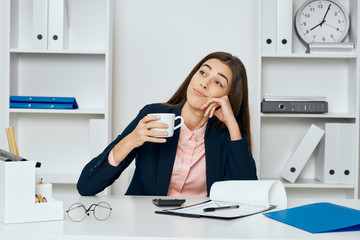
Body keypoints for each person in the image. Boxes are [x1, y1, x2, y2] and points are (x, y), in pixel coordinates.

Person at [77, 51, 257, 196]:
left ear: (228, 97)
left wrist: (232, 125)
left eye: (218, 82)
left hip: (202, 229)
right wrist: (131, 140)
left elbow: (247, 196)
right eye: (203, 72)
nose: (204, 83)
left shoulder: (226, 135)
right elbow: (86, 186)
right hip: (148, 227)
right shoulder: (153, 116)